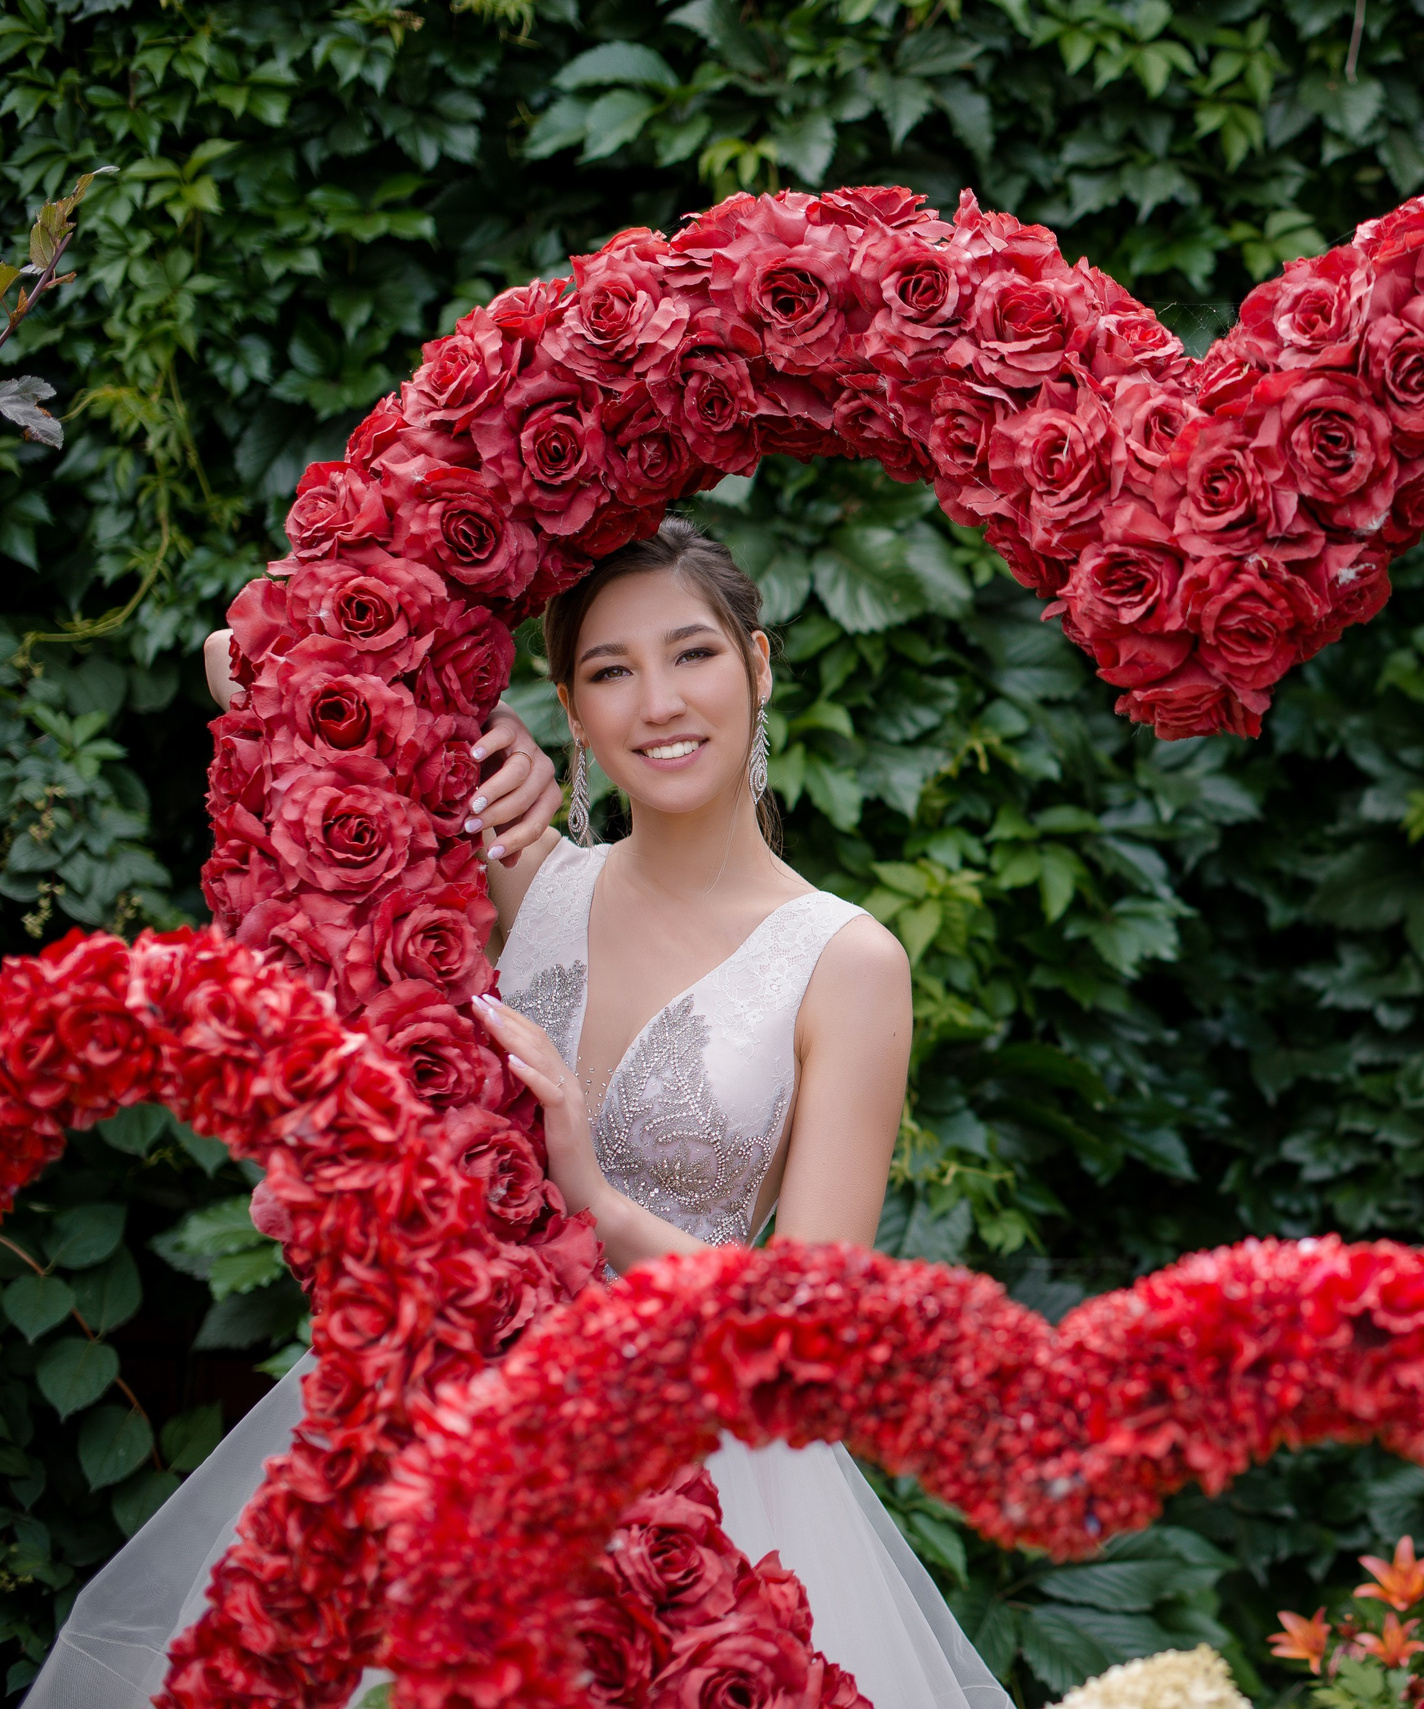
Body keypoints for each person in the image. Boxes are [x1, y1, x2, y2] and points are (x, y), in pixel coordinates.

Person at [32, 521, 1010, 1709]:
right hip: (442, 1408)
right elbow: (235, 655)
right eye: (609, 670)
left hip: (694, 1482)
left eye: (692, 654)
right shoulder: (525, 875)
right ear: (570, 703)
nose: (659, 702)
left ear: (757, 665)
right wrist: (457, 731)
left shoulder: (846, 959)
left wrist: (592, 1201)